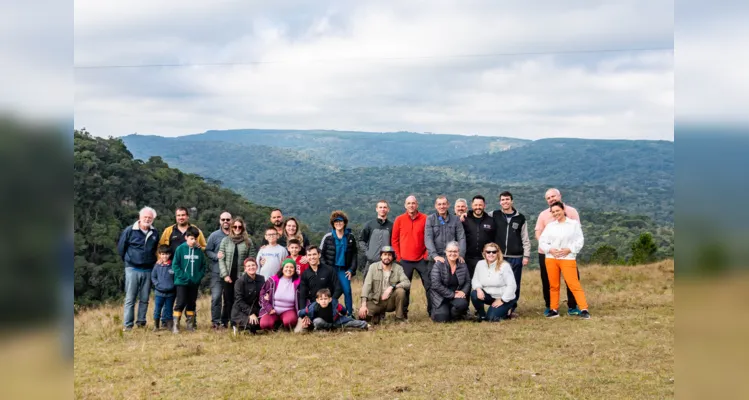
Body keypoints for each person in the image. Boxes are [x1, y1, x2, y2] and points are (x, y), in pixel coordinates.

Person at [535, 188, 583, 316]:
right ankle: (550, 306)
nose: (551, 199)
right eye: (548, 198)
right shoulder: (543, 214)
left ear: (559, 196)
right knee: (548, 281)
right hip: (547, 253)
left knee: (572, 280)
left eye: (553, 196)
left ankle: (573, 306)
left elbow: (577, 232)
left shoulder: (572, 212)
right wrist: (547, 247)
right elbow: (538, 232)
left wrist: (569, 249)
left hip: (567, 254)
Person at [117, 206, 160, 331]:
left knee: (145, 298)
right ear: (139, 218)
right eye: (145, 217)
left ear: (153, 219)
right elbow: (121, 248)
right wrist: (129, 261)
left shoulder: (154, 232)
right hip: (132, 268)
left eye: (150, 217)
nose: (147, 219)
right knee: (130, 298)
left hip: (148, 269)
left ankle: (141, 322)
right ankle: (128, 325)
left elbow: (155, 250)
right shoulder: (130, 230)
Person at [492, 191, 530, 316]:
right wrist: (466, 214)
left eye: (507, 199)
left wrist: (526, 255)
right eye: (502, 200)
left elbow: (525, 238)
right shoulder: (494, 214)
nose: (505, 202)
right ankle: (500, 307)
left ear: (512, 201)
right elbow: (479, 215)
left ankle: (511, 308)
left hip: (516, 257)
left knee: (514, 284)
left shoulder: (520, 218)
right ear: (500, 202)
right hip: (500, 256)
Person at [391, 195, 429, 319]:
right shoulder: (399, 219)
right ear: (405, 205)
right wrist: (398, 257)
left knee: (429, 285)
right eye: (409, 203)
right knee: (405, 288)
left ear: (417, 204)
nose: (411, 205)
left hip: (421, 259)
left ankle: (432, 310)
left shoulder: (425, 218)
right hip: (404, 260)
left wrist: (426, 255)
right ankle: (403, 313)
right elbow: (394, 240)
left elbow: (429, 238)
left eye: (413, 203)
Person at [217, 217, 256, 328]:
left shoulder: (248, 241)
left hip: (242, 277)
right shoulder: (225, 240)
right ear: (231, 227)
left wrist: (246, 274)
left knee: (239, 300)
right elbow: (221, 259)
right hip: (228, 276)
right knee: (227, 299)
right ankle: (225, 322)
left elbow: (251, 258)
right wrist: (225, 275)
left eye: (240, 227)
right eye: (235, 226)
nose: (237, 228)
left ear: (243, 228)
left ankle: (237, 322)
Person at [358, 246, 410, 324]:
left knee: (400, 291)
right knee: (363, 317)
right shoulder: (373, 267)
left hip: (390, 301)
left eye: (389, 255)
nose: (387, 257)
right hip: (376, 301)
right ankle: (377, 316)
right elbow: (366, 286)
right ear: (381, 256)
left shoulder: (398, 268)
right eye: (385, 254)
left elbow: (407, 283)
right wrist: (363, 305)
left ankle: (399, 318)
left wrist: (392, 287)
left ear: (392, 257)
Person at [320, 210, 358, 316]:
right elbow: (321, 255)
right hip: (331, 269)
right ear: (333, 223)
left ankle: (350, 314)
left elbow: (354, 255)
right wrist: (325, 269)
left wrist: (351, 269)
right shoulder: (328, 237)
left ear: (344, 223)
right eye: (336, 222)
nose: (338, 223)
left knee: (347, 291)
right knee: (329, 292)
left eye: (340, 221)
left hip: (343, 270)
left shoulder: (350, 237)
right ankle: (327, 313)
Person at [171, 227, 207, 333]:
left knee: (191, 303)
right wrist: (183, 277)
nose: (193, 241)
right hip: (182, 282)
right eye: (191, 238)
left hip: (194, 282)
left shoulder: (199, 251)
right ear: (186, 237)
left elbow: (203, 266)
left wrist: (198, 277)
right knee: (180, 302)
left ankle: (190, 325)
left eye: (195, 239)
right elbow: (175, 265)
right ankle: (176, 325)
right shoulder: (180, 249)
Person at [296, 245, 341, 331]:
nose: (312, 257)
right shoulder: (305, 274)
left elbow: (338, 288)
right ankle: (316, 324)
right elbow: (302, 295)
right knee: (299, 331)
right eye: (309, 255)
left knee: (320, 322)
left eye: (314, 254)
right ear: (306, 256)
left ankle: (329, 325)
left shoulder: (329, 270)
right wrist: (304, 314)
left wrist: (333, 301)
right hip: (313, 306)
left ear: (319, 255)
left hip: (328, 305)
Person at [470, 243, 517, 322]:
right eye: (488, 252)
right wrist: (478, 289)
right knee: (474, 294)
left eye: (494, 252)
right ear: (484, 253)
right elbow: (475, 280)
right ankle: (482, 315)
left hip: (504, 297)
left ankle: (507, 311)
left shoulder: (504, 266)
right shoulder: (480, 264)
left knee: (491, 319)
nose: (491, 254)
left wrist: (502, 300)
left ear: (497, 253)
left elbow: (511, 286)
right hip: (489, 296)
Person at [429, 241, 471, 322]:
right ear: (446, 252)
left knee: (463, 304)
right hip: (441, 297)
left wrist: (463, 291)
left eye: (455, 251)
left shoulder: (462, 264)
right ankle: (440, 312)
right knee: (442, 319)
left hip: (456, 296)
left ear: (458, 252)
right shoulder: (438, 264)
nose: (453, 253)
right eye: (450, 251)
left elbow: (468, 281)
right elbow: (435, 284)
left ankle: (453, 314)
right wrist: (452, 295)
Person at [205, 211, 232, 329]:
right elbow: (207, 250)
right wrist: (216, 256)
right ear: (219, 221)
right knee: (216, 297)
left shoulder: (236, 233)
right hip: (217, 272)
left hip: (231, 272)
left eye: (228, 219)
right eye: (223, 219)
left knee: (229, 298)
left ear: (231, 220)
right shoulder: (214, 235)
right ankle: (215, 322)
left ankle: (225, 322)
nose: (225, 222)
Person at [259, 259, 301, 330]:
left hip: (289, 309)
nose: (289, 269)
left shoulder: (299, 281)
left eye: (291, 267)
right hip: (272, 310)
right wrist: (268, 308)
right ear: (282, 268)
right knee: (265, 324)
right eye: (286, 267)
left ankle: (283, 324)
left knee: (290, 322)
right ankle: (276, 324)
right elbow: (262, 295)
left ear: (295, 269)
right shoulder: (272, 280)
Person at [425, 195, 466, 268]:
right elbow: (428, 238)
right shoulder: (430, 219)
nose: (442, 206)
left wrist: (461, 255)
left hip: (452, 258)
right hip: (435, 259)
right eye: (439, 204)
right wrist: (435, 256)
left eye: (444, 204)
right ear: (436, 206)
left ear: (448, 205)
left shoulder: (456, 219)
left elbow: (461, 238)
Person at [299, 289, 370, 331]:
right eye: (321, 299)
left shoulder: (335, 305)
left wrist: (347, 315)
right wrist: (304, 317)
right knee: (317, 321)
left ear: (330, 299)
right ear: (317, 300)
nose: (323, 301)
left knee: (351, 322)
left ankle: (365, 325)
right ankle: (325, 329)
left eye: (325, 299)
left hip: (336, 322)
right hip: (322, 323)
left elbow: (344, 311)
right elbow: (301, 312)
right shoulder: (312, 307)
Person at [462, 195, 496, 279]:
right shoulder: (465, 219)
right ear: (472, 205)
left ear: (484, 205)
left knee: (484, 284)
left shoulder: (490, 220)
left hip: (485, 259)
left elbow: (494, 239)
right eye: (476, 205)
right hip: (467, 259)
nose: (478, 207)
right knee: (467, 284)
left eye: (480, 205)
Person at [358, 200, 393, 279]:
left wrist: (393, 256)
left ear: (388, 209)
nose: (382, 209)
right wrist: (368, 252)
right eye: (380, 207)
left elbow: (395, 243)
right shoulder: (369, 225)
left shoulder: (392, 226)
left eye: (384, 207)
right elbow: (361, 240)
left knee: (385, 287)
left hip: (387, 263)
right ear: (376, 209)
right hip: (371, 262)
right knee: (367, 287)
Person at [231, 257, 265, 334]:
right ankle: (237, 326)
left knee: (266, 322)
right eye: (248, 266)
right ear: (245, 269)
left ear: (256, 266)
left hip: (255, 308)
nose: (251, 267)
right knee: (252, 323)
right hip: (240, 310)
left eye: (253, 265)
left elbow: (262, 294)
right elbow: (239, 300)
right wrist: (251, 313)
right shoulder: (240, 282)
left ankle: (249, 326)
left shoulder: (261, 279)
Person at [150, 245, 176, 331]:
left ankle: (169, 326)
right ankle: (156, 326)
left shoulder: (173, 265)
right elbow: (153, 277)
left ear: (170, 254)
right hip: (159, 293)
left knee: (169, 310)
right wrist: (157, 284)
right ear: (159, 254)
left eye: (167, 254)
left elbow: (176, 277)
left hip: (171, 293)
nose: (165, 256)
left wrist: (173, 285)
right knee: (157, 309)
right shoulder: (157, 265)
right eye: (162, 254)